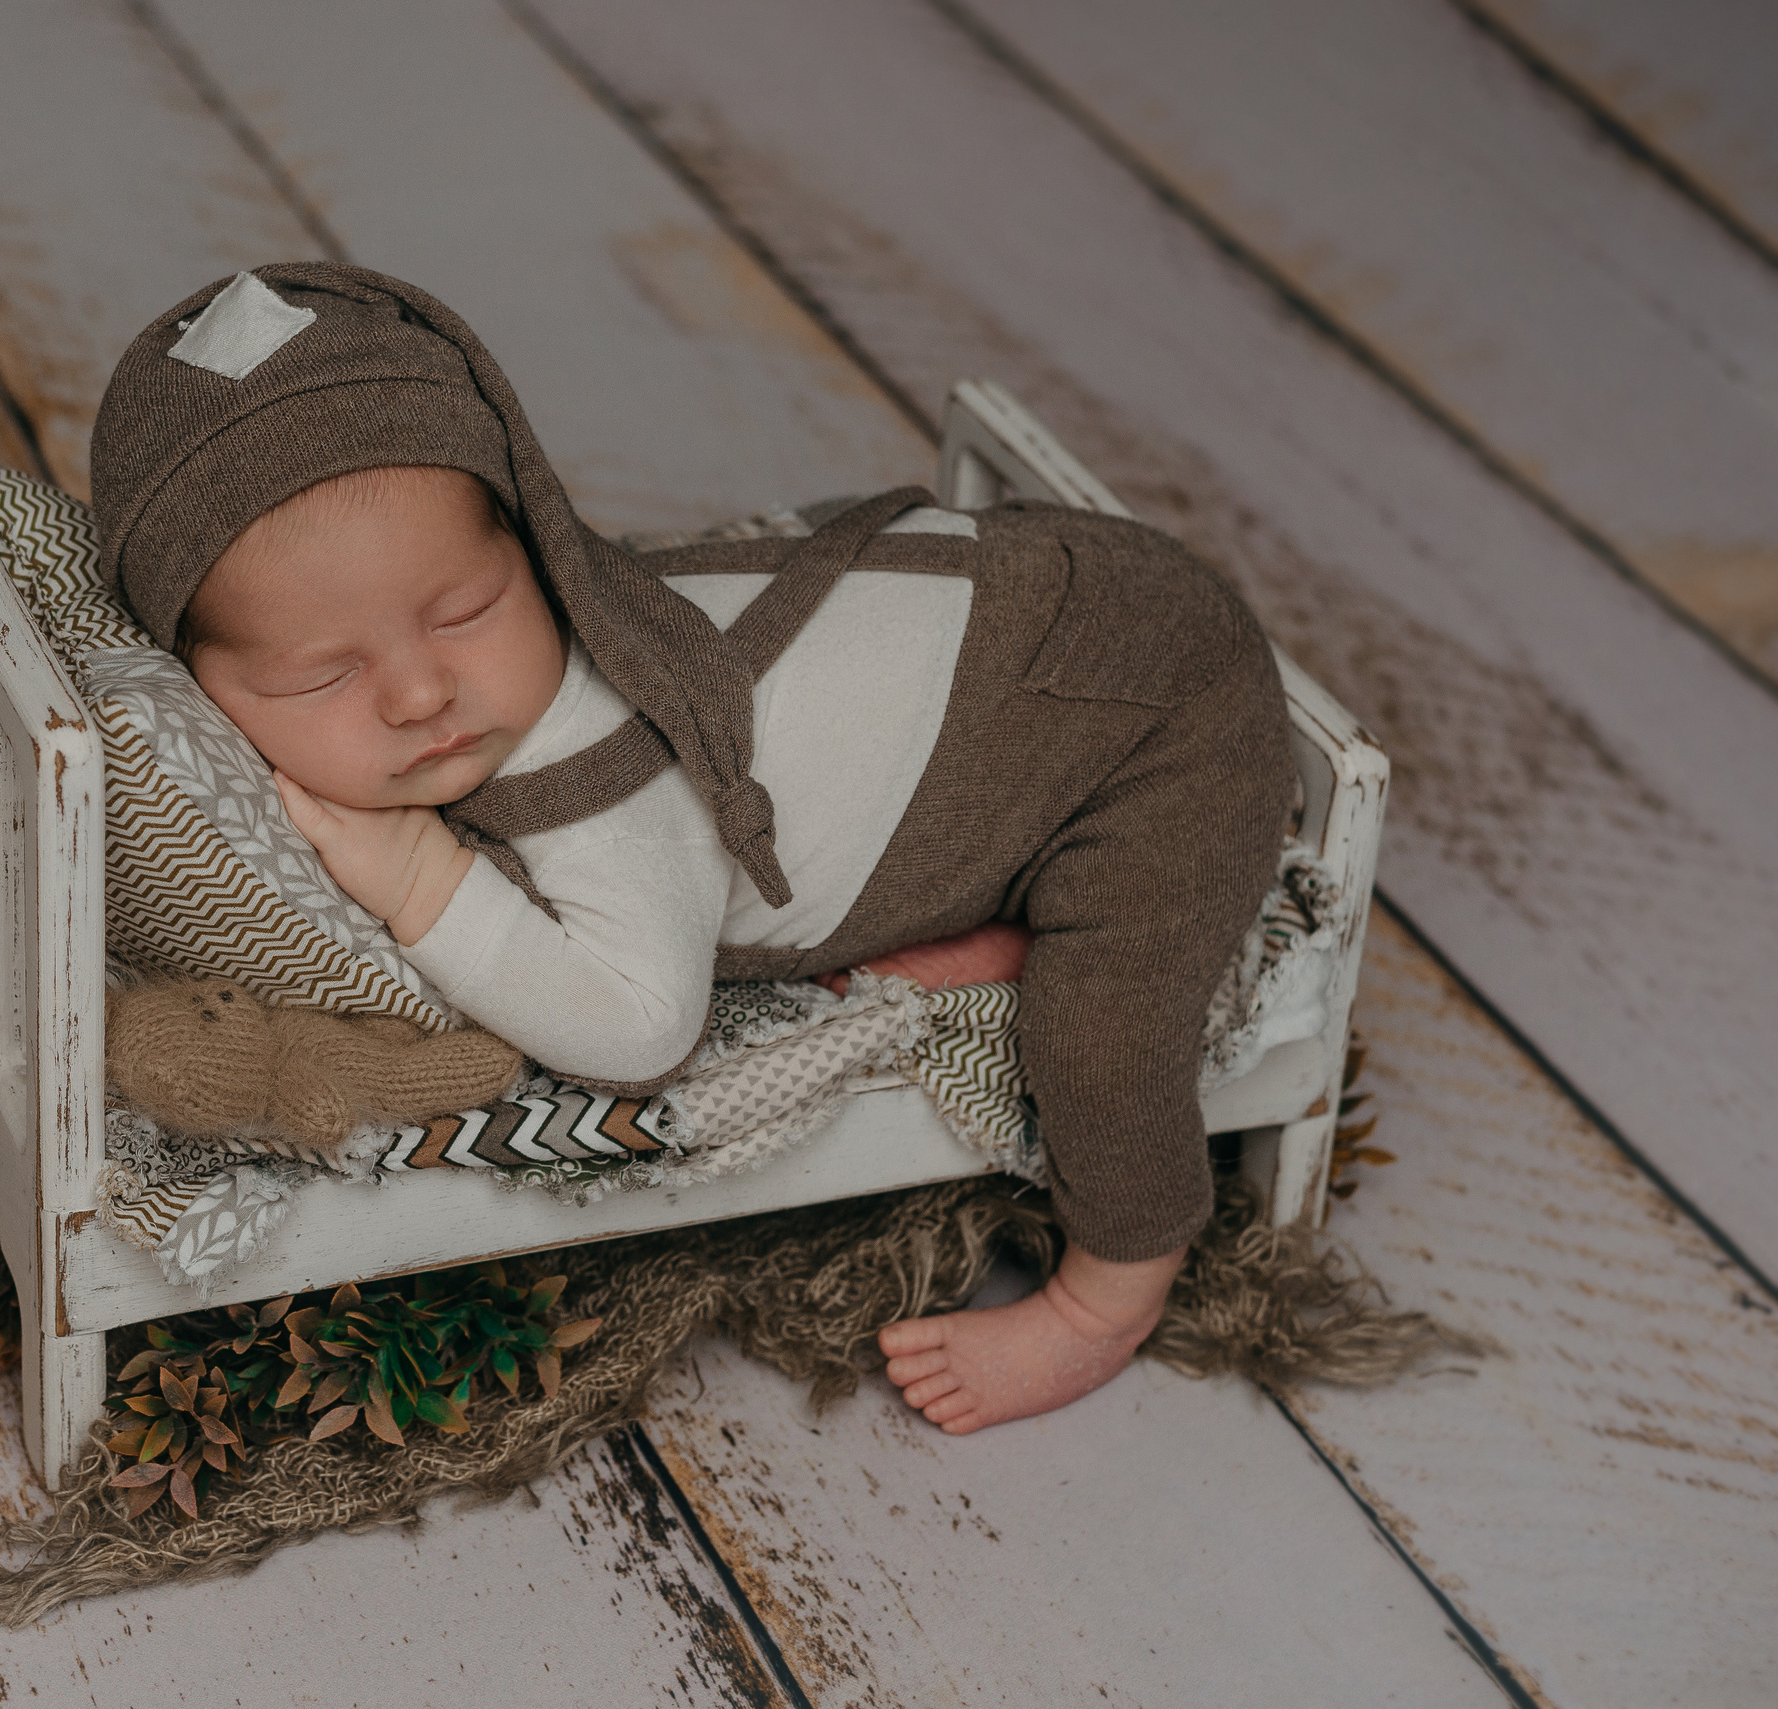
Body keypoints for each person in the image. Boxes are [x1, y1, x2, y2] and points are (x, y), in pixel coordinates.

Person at [88, 264, 1295, 1434]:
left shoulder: (599, 774)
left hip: (1152, 706)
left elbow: (641, 1031)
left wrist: (420, 880)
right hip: (1023, 632)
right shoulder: (445, 680)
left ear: (540, 545)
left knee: (1105, 1024)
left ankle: (1107, 1297)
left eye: (468, 610)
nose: (419, 693)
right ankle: (990, 890)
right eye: (324, 674)